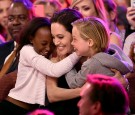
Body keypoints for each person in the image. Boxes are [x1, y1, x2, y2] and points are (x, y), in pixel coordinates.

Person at [0, 17, 80, 115]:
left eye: (51, 44)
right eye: (44, 43)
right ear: (31, 39)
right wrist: (79, 52)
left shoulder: (44, 54)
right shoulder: (27, 50)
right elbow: (54, 70)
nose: (47, 48)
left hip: (29, 110)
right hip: (11, 107)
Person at [64, 17, 133, 89]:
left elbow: (74, 83)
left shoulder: (93, 63)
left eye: (75, 39)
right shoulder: (111, 54)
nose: (72, 43)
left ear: (90, 42)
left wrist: (67, 64)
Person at [0, 0, 34, 76]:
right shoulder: (1, 50)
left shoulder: (39, 51)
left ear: (33, 19)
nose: (15, 22)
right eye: (11, 19)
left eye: (21, 18)